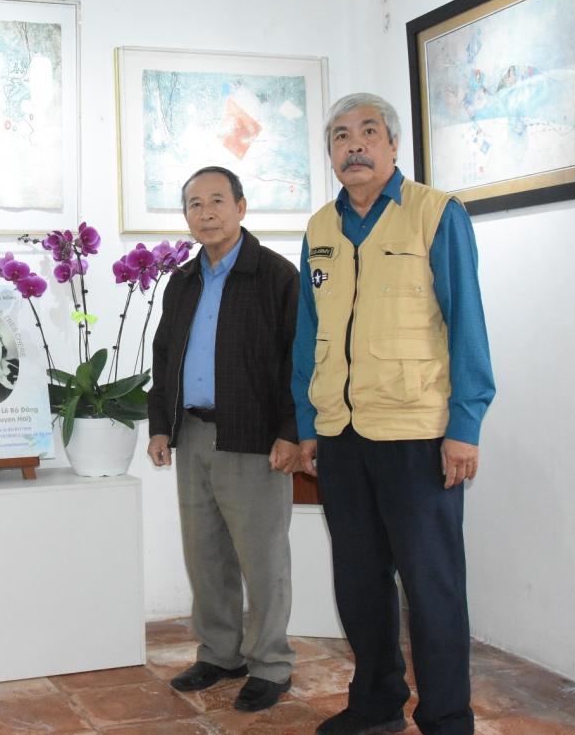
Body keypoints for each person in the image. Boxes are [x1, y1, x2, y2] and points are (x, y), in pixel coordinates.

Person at [291, 93, 495, 735]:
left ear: (392, 145)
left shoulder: (437, 214)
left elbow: (468, 326)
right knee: (358, 582)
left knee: (431, 585)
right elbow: (307, 335)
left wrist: (465, 426)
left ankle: (446, 717)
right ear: (329, 154)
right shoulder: (319, 229)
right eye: (341, 136)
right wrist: (306, 424)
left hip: (417, 433)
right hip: (341, 435)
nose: (354, 146)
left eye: (368, 133)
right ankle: (376, 701)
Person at [146, 165, 301, 713]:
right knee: (205, 555)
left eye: (217, 200)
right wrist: (161, 424)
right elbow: (166, 356)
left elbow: (297, 362)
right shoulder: (183, 280)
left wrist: (292, 433)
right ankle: (220, 653)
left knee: (262, 560)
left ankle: (271, 664)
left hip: (256, 441)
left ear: (241, 206)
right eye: (194, 203)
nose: (206, 212)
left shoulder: (276, 276)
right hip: (194, 434)